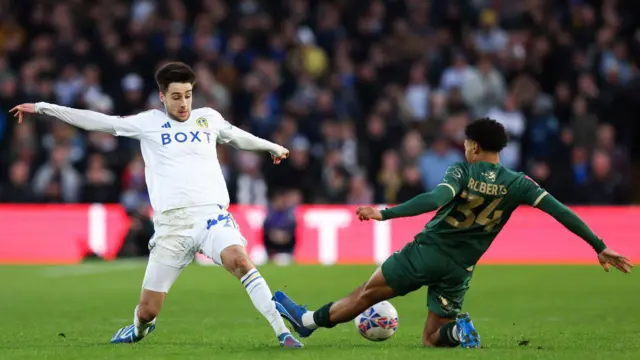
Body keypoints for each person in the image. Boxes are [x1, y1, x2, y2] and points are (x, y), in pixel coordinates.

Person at [10, 62, 304, 348]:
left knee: (240, 261)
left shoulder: (208, 118)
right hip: (171, 227)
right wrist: (42, 107)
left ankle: (283, 334)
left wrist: (270, 146)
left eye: (188, 95)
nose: (183, 103)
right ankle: (139, 329)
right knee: (148, 310)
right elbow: (99, 121)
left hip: (211, 217)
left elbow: (237, 136)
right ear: (163, 96)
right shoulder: (148, 122)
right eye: (176, 97)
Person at [272, 118, 633, 349]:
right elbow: (561, 212)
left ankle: (306, 323)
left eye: (465, 143)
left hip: (426, 253)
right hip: (460, 270)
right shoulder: (519, 183)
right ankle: (458, 333)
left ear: (475, 146)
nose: (464, 148)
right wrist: (599, 246)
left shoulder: (463, 171)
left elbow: (434, 198)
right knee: (432, 340)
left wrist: (385, 214)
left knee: (364, 295)